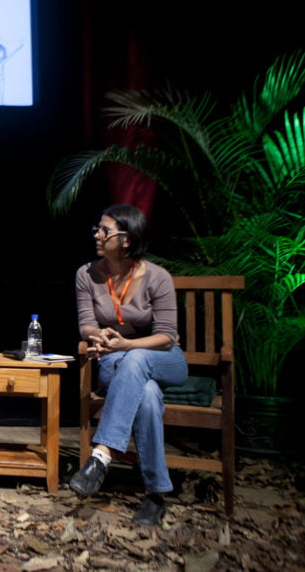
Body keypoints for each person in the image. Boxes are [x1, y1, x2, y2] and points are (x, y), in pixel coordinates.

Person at [70, 204, 188, 526]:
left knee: (137, 361)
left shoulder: (158, 278)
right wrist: (100, 334)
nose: (97, 234)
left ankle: (101, 455)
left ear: (125, 239)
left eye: (104, 230)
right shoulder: (87, 275)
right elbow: (85, 325)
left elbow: (166, 336)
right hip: (116, 360)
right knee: (147, 396)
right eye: (97, 228)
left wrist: (128, 344)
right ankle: (155, 496)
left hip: (164, 359)